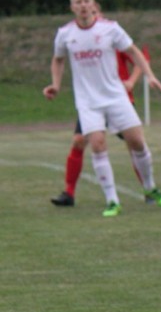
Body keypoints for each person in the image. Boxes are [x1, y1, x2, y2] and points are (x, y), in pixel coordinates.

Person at [43, 0, 161, 217]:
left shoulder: (110, 29)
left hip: (115, 97)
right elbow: (58, 59)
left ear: (93, 4)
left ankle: (150, 187)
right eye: (78, 2)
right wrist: (56, 84)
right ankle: (112, 201)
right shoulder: (65, 34)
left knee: (137, 142)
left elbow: (133, 51)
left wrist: (149, 75)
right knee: (98, 145)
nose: (83, 5)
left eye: (87, 1)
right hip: (88, 102)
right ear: (72, 7)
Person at [51, 46, 143, 207]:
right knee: (79, 140)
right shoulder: (83, 43)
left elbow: (141, 59)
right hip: (93, 103)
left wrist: (131, 81)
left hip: (120, 102)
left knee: (134, 144)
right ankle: (69, 193)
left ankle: (148, 188)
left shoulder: (114, 38)